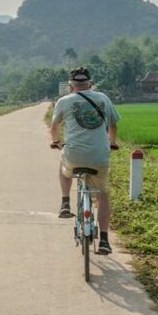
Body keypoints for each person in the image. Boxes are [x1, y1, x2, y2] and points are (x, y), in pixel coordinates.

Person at [49, 66, 121, 255]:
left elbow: (54, 126)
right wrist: (112, 143)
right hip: (99, 155)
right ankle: (104, 240)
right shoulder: (103, 98)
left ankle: (65, 202)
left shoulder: (64, 101)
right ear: (90, 84)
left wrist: (56, 142)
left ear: (71, 86)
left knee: (63, 162)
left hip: (73, 155)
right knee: (103, 195)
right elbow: (113, 125)